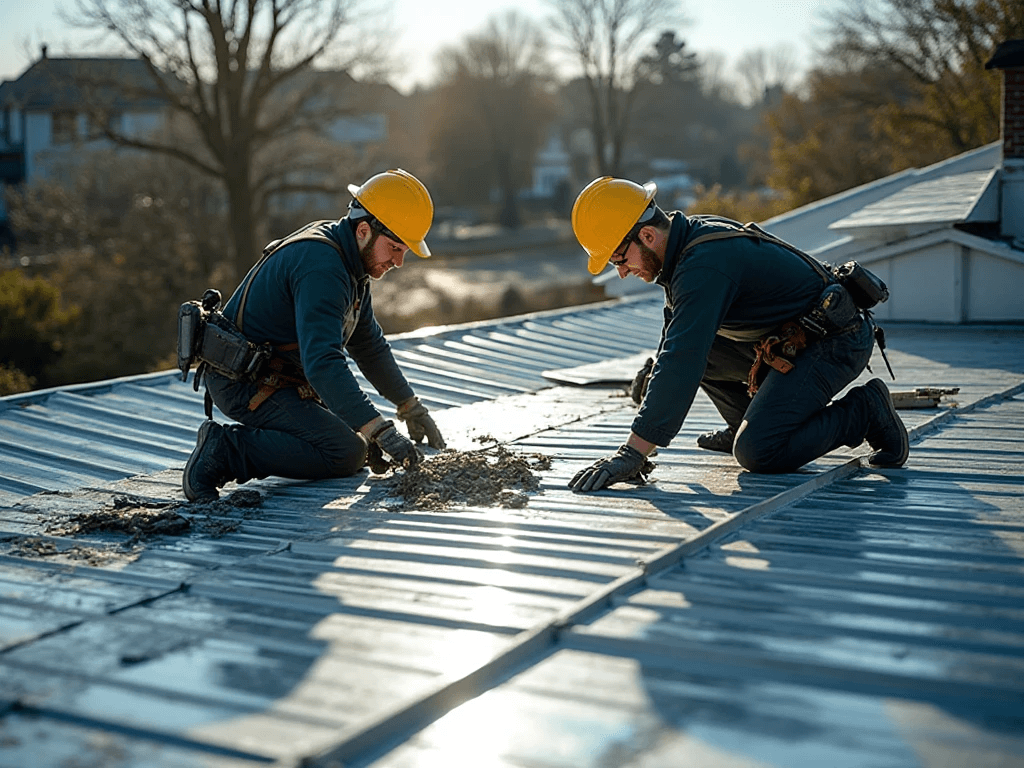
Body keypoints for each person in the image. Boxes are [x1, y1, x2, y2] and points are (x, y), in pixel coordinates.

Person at [566, 176, 909, 492]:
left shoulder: (702, 264)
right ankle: (746, 420)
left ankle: (865, 410)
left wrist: (634, 452)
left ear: (647, 235)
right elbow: (679, 338)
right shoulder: (686, 242)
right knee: (700, 348)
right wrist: (656, 376)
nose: (623, 272)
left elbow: (683, 358)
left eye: (618, 259)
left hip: (835, 340)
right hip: (795, 339)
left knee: (759, 451)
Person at [183, 169, 446, 503]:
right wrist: (377, 428)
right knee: (345, 451)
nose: (399, 261)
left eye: (404, 250)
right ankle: (225, 450)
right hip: (243, 382)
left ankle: (242, 445)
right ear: (364, 230)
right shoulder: (323, 267)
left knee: (357, 437)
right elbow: (322, 363)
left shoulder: (350, 261)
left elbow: (368, 345)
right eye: (395, 248)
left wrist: (409, 405)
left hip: (275, 378)